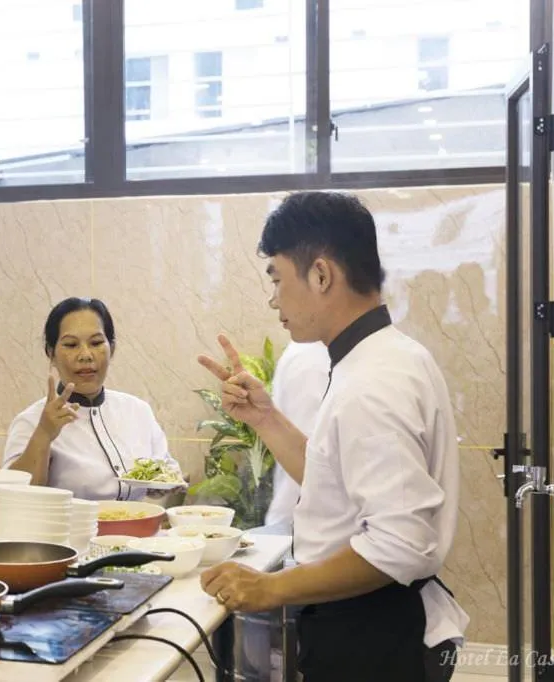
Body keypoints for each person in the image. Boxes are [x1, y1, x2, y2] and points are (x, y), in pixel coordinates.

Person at [196, 191, 468, 682]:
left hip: (377, 635)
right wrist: (266, 419)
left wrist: (270, 588)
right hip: (369, 622)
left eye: (277, 278)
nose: (273, 298)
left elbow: (399, 546)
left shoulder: (373, 381)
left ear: (321, 275)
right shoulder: (381, 356)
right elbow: (334, 480)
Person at [3, 297, 182, 500]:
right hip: (71, 532)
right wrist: (44, 433)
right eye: (71, 345)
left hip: (137, 530)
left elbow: (165, 471)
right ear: (51, 354)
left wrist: (167, 483)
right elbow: (15, 497)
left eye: (96, 343)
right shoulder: (32, 420)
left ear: (111, 349)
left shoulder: (137, 410)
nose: (85, 355)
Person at [262, 341, 330, 529]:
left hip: (311, 530)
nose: (276, 309)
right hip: (304, 527)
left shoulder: (311, 356)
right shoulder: (310, 357)